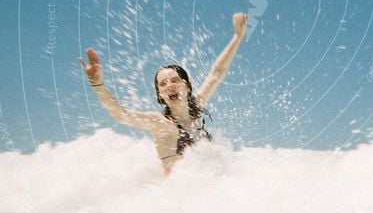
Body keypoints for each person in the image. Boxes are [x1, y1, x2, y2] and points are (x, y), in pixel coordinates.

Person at [81, 13, 248, 174]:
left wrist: (237, 37)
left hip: (205, 189)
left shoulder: (197, 106)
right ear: (160, 95)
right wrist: (98, 84)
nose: (169, 86)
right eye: (163, 84)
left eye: (174, 80)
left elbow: (216, 73)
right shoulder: (160, 123)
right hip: (177, 196)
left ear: (187, 86)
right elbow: (122, 114)